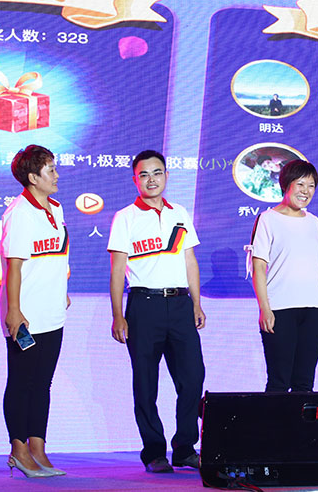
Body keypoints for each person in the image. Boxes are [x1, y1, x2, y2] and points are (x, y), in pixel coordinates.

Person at [108, 150, 206, 473]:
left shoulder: (180, 212)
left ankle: (185, 448)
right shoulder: (126, 217)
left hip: (180, 304)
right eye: (144, 175)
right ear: (135, 179)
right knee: (146, 382)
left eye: (157, 173)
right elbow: (117, 270)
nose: (152, 180)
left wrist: (196, 302)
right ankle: (154, 452)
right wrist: (118, 314)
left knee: (192, 377)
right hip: (143, 306)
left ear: (166, 175)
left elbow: (189, 260)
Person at [0, 145, 69, 478]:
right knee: (21, 382)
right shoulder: (19, 212)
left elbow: (56, 255)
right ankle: (19, 450)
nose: (56, 175)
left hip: (53, 311)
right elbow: (14, 267)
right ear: (32, 177)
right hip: (26, 315)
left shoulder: (56, 207)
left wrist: (62, 290)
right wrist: (14, 311)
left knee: (43, 383)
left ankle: (38, 448)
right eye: (50, 170)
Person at [250, 160, 318, 392]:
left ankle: (301, 418)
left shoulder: (313, 221)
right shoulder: (267, 219)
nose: (305, 191)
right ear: (286, 185)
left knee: (304, 383)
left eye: (311, 186)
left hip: (313, 309)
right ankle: (275, 419)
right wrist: (265, 308)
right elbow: (259, 267)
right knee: (279, 382)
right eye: (300, 184)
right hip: (280, 309)